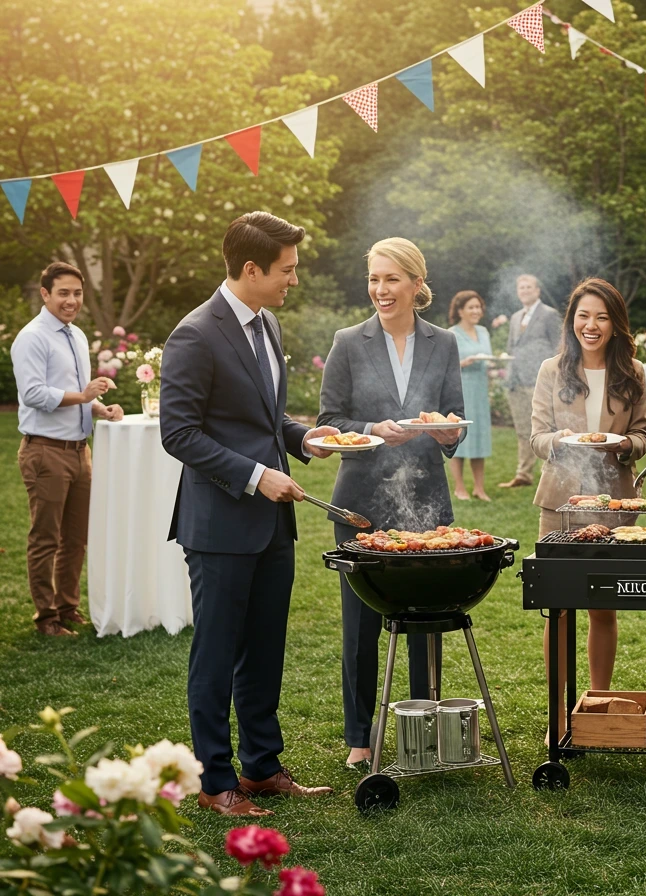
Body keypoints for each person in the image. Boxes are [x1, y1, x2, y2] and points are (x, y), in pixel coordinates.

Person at [160, 211, 340, 816]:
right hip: (219, 525)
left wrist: (304, 437)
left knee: (265, 651)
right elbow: (179, 434)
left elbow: (262, 418)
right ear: (250, 269)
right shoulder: (194, 334)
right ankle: (216, 782)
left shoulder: (268, 322)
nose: (294, 279)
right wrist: (257, 475)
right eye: (286, 270)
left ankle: (262, 768)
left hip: (272, 526)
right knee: (216, 656)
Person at [318, 238, 466, 768]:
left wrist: (449, 433)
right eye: (374, 279)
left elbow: (454, 417)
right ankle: (360, 736)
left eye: (391, 279)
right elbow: (329, 420)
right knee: (360, 625)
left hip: (426, 500)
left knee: (425, 618)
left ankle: (424, 722)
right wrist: (372, 428)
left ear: (416, 284)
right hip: (360, 502)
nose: (381, 290)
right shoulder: (347, 341)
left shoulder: (443, 342)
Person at [530, 278, 646, 740]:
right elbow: (538, 436)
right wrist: (559, 441)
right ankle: (558, 713)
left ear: (615, 324)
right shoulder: (552, 370)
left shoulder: (632, 372)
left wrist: (624, 445)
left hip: (614, 503)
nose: (591, 325)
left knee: (603, 606)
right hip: (560, 504)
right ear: (572, 321)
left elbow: (641, 434)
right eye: (583, 316)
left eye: (601, 317)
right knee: (558, 608)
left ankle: (597, 705)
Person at [11, 261, 123, 637]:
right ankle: (46, 618)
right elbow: (34, 394)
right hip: (45, 453)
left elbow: (76, 393)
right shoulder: (32, 337)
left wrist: (100, 409)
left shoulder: (75, 336)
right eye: (63, 293)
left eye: (77, 293)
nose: (71, 300)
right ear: (45, 294)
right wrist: (84, 395)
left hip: (79, 451)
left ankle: (67, 607)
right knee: (46, 538)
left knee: (76, 538)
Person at [499, 274, 560, 488]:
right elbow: (511, 347)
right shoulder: (516, 317)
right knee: (523, 429)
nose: (524, 290)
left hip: (538, 381)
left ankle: (549, 474)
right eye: (521, 288)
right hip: (516, 380)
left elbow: (559, 346)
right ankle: (523, 474)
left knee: (545, 428)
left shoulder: (549, 314)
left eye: (528, 287)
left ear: (537, 291)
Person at [447, 290, 493, 502]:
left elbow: (488, 358)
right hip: (461, 389)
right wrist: (463, 363)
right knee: (459, 436)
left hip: (480, 389)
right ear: (460, 311)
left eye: (478, 307)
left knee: (480, 437)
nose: (476, 311)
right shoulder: (452, 334)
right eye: (471, 307)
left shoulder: (483, 331)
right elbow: (444, 366)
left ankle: (479, 488)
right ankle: (459, 487)